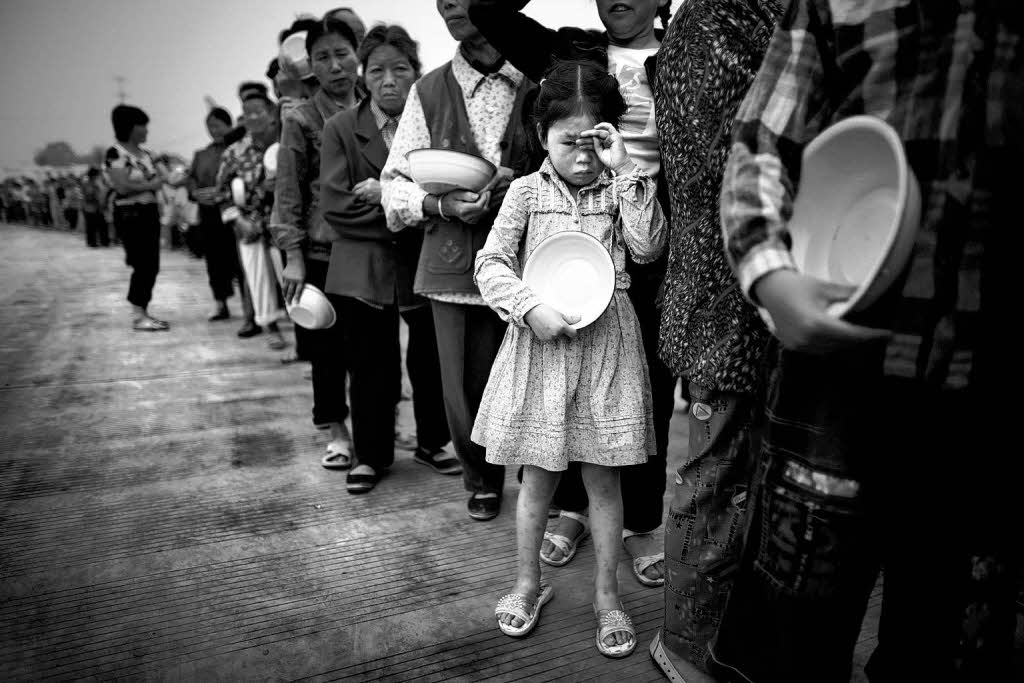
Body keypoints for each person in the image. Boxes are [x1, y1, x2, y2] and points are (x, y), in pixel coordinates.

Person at [713, 3, 1021, 681]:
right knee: (788, 631)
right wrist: (768, 271)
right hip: (835, 366)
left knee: (951, 642)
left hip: (994, 384)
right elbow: (763, 139)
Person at [468, 0, 676, 587]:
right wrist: (528, 307)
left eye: (593, 142)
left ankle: (631, 540)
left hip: (623, 307)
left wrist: (627, 172)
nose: (582, 155)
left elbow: (649, 247)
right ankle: (555, 535)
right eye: (568, 143)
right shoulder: (572, 59)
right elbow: (494, 262)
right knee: (543, 459)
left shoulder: (683, 49)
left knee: (628, 433)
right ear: (542, 136)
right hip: (544, 332)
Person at [645, 1, 784, 679]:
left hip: (761, 298)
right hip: (725, 304)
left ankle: (720, 641)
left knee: (752, 483)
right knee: (716, 483)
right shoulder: (712, 21)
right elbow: (729, 165)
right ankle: (685, 646)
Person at [381, 0, 539, 521]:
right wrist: (439, 203)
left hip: (535, 255)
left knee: (541, 378)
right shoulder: (428, 90)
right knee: (465, 389)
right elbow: (392, 187)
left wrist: (515, 182)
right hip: (454, 263)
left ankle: (548, 486)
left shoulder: (538, 75)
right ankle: (482, 479)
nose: (449, 3)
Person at [320, 24, 455, 492]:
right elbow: (337, 208)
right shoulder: (340, 128)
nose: (389, 80)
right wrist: (413, 209)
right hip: (364, 268)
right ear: (364, 76)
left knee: (431, 359)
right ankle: (370, 456)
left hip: (423, 263)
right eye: (377, 70)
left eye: (400, 69)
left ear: (416, 73)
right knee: (370, 364)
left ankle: (432, 442)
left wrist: (388, 197)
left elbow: (450, 190)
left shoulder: (432, 125)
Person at [273, 16, 364, 467]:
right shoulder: (301, 118)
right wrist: (292, 257)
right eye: (323, 57)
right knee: (327, 351)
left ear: (358, 54)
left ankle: (373, 432)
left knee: (371, 348)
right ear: (311, 66)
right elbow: (288, 191)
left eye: (342, 54)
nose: (335, 66)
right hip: (321, 250)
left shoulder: (379, 106)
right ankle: (337, 431)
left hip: (371, 246)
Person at [217, 82, 287, 350]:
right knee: (257, 279)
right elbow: (221, 192)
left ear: (271, 113)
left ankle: (305, 329)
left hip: (283, 223)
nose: (253, 117)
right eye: (247, 113)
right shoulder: (233, 153)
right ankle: (270, 327)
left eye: (258, 111)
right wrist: (237, 220)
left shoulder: (284, 145)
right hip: (250, 225)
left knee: (290, 279)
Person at [105, 104, 169, 331]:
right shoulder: (115, 153)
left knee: (152, 263)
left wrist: (147, 184)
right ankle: (138, 313)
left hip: (150, 212)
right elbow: (122, 186)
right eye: (142, 126)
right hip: (129, 214)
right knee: (142, 262)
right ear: (131, 127)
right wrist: (150, 185)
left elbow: (165, 178)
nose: (146, 131)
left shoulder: (148, 154)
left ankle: (142, 309)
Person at [188, 106, 253, 324]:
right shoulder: (201, 155)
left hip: (235, 211)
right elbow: (191, 182)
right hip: (209, 214)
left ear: (229, 125)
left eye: (217, 125)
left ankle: (250, 309)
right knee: (214, 260)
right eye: (209, 127)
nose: (213, 130)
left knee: (240, 260)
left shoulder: (241, 149)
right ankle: (220, 303)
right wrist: (197, 194)